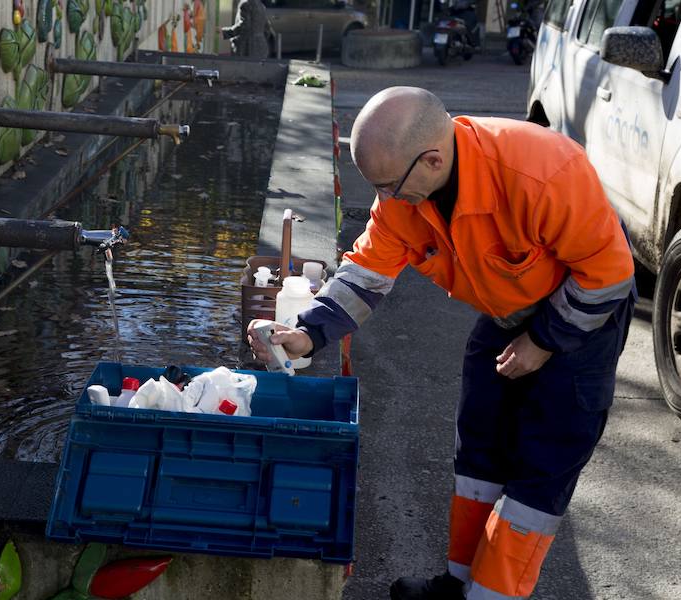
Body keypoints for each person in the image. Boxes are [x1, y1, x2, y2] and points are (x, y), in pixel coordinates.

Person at [247, 87, 636, 600]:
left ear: (432, 160)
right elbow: (365, 274)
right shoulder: (405, 193)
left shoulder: (543, 171)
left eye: (390, 187)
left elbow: (608, 275)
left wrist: (544, 340)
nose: (384, 202)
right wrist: (306, 334)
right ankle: (458, 584)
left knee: (540, 470)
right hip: (507, 308)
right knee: (478, 447)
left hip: (581, 316)